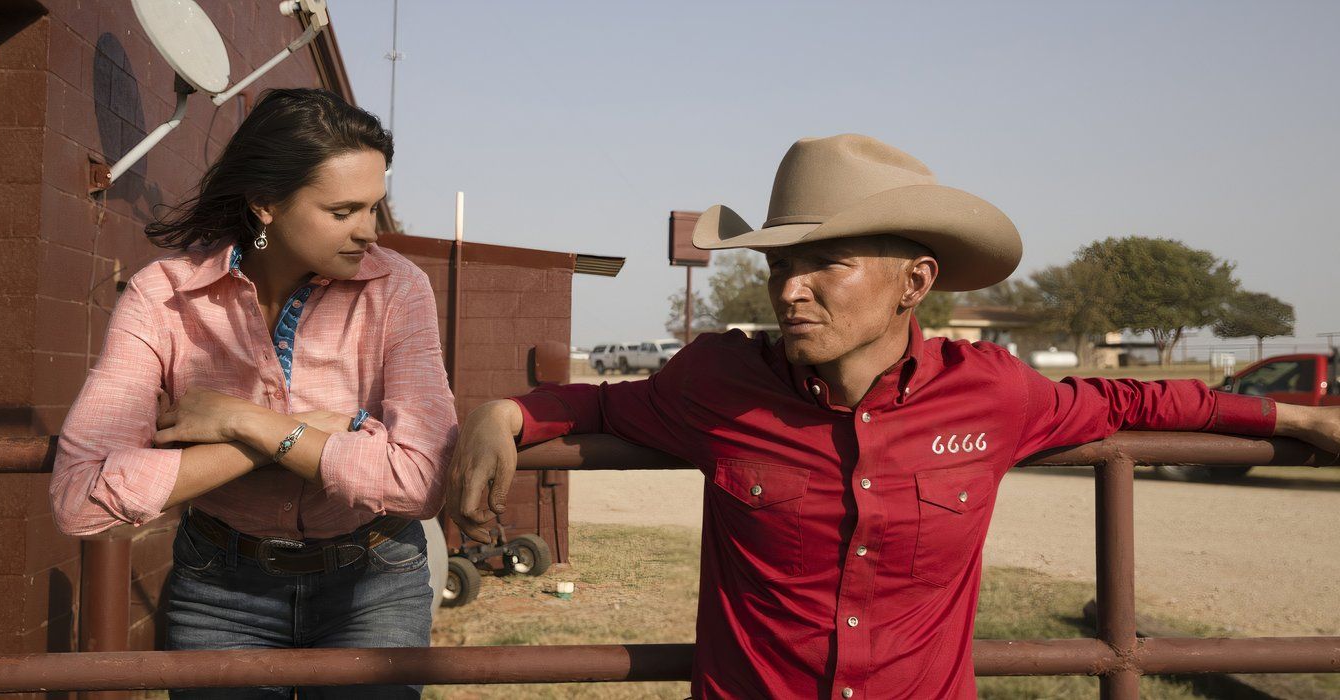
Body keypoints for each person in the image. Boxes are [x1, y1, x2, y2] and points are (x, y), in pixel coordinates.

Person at [445, 134, 1340, 698]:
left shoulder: (992, 392)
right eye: (776, 266)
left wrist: (1291, 421)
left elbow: (1133, 400)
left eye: (825, 264)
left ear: (916, 282)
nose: (788, 289)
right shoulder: (718, 381)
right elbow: (602, 401)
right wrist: (506, 414)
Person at [50, 88, 458, 699]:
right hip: (219, 592)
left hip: (373, 582)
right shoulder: (162, 297)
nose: (369, 233)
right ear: (265, 203)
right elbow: (79, 496)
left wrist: (246, 421)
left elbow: (421, 480)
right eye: (343, 211)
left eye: (375, 207)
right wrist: (295, 435)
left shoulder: (398, 290)